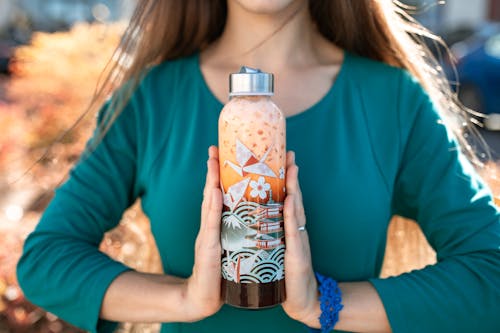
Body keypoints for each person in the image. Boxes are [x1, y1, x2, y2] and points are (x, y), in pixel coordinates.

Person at [17, 1, 500, 333]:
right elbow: (46, 261)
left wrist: (325, 303)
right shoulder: (151, 99)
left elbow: (490, 273)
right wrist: (185, 300)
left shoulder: (391, 101)